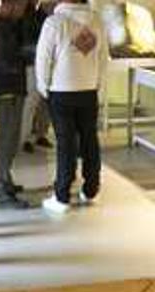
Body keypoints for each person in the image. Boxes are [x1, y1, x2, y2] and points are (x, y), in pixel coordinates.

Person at [35, 0, 108, 214]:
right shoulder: (97, 21)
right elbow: (104, 57)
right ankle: (91, 189)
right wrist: (98, 83)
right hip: (88, 90)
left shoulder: (55, 22)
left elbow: (43, 58)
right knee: (89, 139)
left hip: (61, 90)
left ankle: (62, 195)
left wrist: (44, 86)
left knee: (65, 143)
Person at [0, 0, 33, 209]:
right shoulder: (1, 28)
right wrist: (31, 52)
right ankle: (3, 189)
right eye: (22, 6)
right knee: (7, 138)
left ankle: (6, 182)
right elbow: (8, 60)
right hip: (6, 90)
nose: (24, 11)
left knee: (11, 137)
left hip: (10, 88)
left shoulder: (7, 26)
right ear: (11, 5)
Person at [19, 0, 54, 155]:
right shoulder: (27, 16)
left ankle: (40, 134)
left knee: (43, 103)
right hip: (32, 64)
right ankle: (26, 138)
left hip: (41, 64)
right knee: (31, 103)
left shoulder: (42, 16)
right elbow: (27, 43)